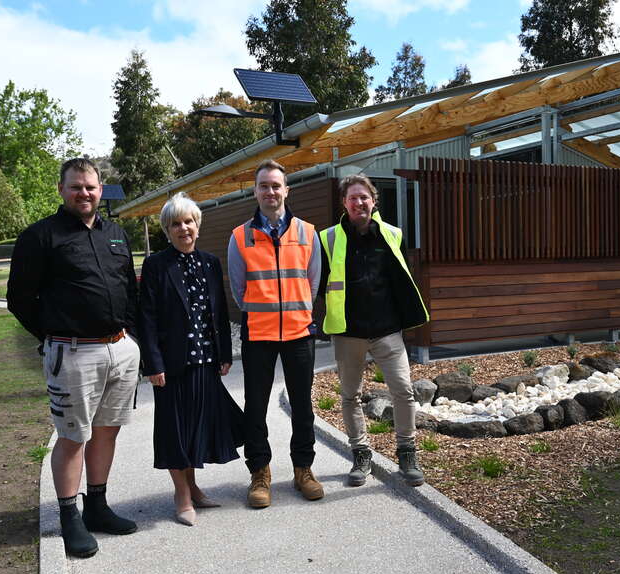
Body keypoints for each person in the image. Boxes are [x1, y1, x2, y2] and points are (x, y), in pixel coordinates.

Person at [7, 158, 140, 558]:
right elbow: (19, 299)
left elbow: (128, 290)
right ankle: (70, 518)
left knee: (107, 430)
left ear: (101, 190)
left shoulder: (115, 234)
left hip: (119, 348)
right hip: (73, 353)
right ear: (62, 190)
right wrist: (52, 336)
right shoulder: (40, 236)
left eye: (91, 187)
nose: (85, 193)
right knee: (72, 436)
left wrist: (129, 336)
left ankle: (96, 506)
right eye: (76, 187)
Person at [138, 193, 246, 526]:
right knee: (175, 431)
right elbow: (147, 318)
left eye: (188, 221)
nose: (183, 228)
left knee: (197, 428)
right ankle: (181, 495)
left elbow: (219, 310)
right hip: (171, 366)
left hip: (205, 361)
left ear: (197, 225)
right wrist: (153, 364)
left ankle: (194, 486)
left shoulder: (210, 262)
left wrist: (225, 352)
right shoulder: (157, 265)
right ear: (166, 230)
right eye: (175, 224)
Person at [319, 174, 429, 487]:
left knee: (403, 390)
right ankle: (361, 453)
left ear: (373, 200)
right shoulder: (327, 238)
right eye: (352, 198)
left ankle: (407, 452)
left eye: (363, 197)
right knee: (350, 396)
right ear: (344, 203)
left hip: (387, 331)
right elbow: (320, 284)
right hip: (348, 332)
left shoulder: (393, 234)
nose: (358, 202)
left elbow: (402, 279)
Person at [227, 159, 322, 508]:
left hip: (299, 332)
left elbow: (313, 284)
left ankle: (303, 470)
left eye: (276, 185)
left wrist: (296, 309)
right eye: (264, 186)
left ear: (286, 190)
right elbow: (238, 291)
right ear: (255, 191)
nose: (270, 191)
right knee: (255, 408)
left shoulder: (307, 233)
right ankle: (260, 473)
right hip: (259, 334)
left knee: (302, 406)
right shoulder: (240, 236)